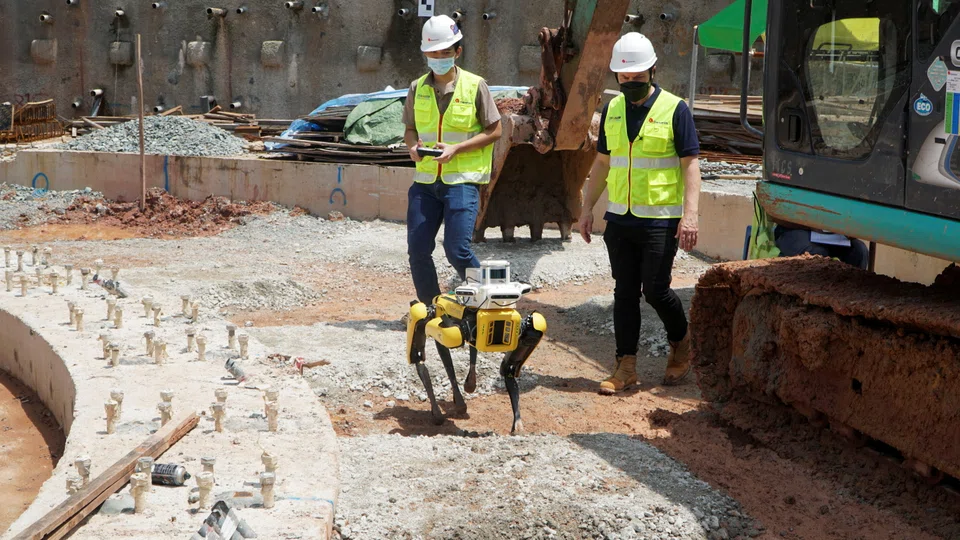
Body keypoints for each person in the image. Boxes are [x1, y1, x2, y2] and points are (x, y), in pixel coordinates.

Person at [577, 33, 703, 393]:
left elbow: (690, 165)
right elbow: (602, 163)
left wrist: (690, 215)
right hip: (620, 219)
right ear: (617, 76)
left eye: (637, 77)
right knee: (625, 292)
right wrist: (587, 208)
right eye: (624, 77)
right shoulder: (613, 110)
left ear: (652, 70)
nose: (630, 83)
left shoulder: (675, 109)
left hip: (660, 219)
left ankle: (682, 344)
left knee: (657, 291)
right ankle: (625, 367)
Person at [402, 14, 502, 304]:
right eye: (433, 53)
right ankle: (431, 307)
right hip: (425, 182)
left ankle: (489, 300)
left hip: (461, 181)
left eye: (446, 52)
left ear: (458, 52)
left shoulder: (475, 85)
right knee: (418, 250)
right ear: (425, 53)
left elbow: (495, 130)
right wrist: (413, 147)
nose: (439, 57)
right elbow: (410, 129)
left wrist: (457, 149)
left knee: (457, 250)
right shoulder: (416, 87)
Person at [772, 220, 869, 270]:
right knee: (816, 254)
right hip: (795, 228)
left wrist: (853, 230)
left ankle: (850, 302)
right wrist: (810, 225)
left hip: (833, 233)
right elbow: (775, 215)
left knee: (860, 251)